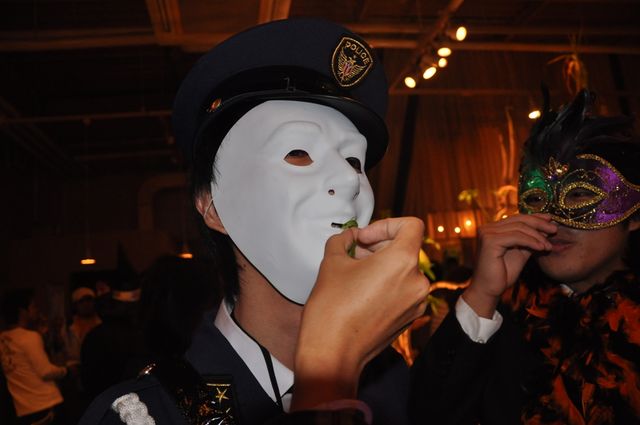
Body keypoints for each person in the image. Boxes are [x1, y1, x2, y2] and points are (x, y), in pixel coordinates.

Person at [80, 17, 429, 425]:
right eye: (298, 152)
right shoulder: (146, 415)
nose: (350, 179)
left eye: (354, 160)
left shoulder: (388, 383)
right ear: (212, 207)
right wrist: (330, 372)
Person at [410, 89, 640, 424]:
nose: (552, 220)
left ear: (634, 215)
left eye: (579, 194)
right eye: (535, 198)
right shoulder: (509, 324)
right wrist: (482, 294)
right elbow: (426, 414)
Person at [0, 288, 69, 424]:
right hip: (45, 403)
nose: (37, 310)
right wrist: (66, 370)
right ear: (22, 311)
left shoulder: (3, 338)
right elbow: (45, 371)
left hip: (23, 407)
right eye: (33, 306)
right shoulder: (29, 337)